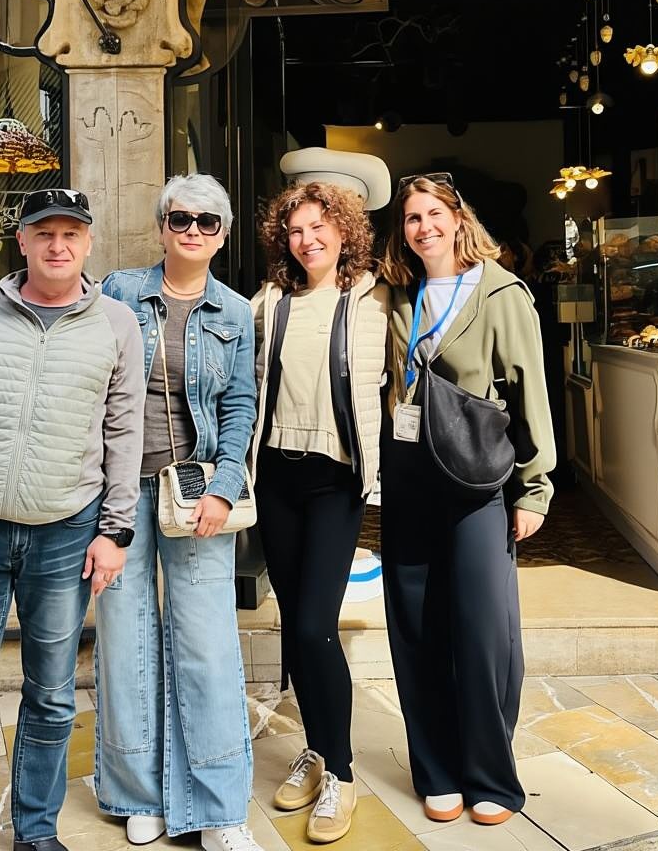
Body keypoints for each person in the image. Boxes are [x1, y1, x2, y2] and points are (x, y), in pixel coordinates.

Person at [0, 187, 146, 851]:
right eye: (45, 232)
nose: (58, 245)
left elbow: (124, 432)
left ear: (89, 242)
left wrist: (114, 530)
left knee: (51, 696)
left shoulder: (116, 325)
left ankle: (35, 833)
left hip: (66, 534)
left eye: (71, 233)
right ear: (23, 240)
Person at [380, 172, 556, 829]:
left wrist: (535, 488)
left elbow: (531, 394)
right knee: (417, 631)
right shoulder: (401, 294)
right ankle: (437, 770)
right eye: (411, 218)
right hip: (408, 483)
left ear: (458, 219)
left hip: (477, 481)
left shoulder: (501, 292)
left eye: (433, 214)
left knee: (483, 633)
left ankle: (490, 776)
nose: (423, 227)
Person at [94, 174, 263, 851]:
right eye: (181, 219)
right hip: (119, 492)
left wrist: (224, 485)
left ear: (222, 236)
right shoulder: (118, 292)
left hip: (196, 491)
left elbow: (240, 404)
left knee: (208, 646)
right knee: (125, 637)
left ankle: (217, 807)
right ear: (162, 226)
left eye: (208, 222)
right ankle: (138, 793)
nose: (192, 231)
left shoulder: (235, 312)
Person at [251, 179, 388, 844]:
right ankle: (316, 748)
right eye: (295, 231)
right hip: (276, 476)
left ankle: (342, 772)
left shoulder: (372, 303)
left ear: (344, 231)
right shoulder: (270, 303)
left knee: (314, 628)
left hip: (335, 482)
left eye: (318, 227)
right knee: (292, 629)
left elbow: (397, 388)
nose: (307, 240)